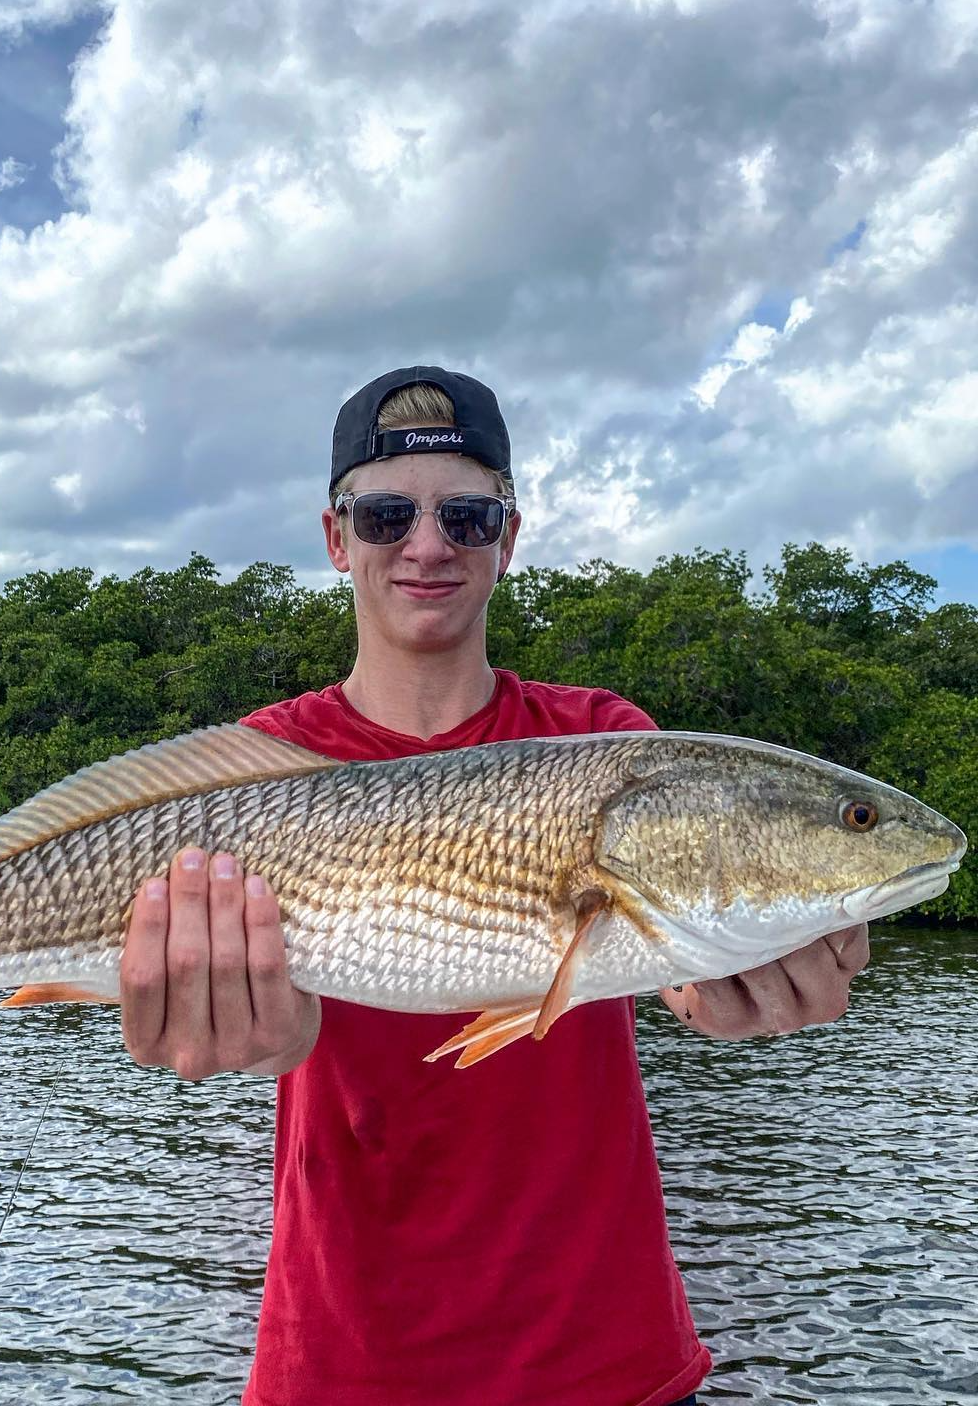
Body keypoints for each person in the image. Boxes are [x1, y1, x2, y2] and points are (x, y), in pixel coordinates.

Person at [117, 366, 870, 1406]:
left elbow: (671, 974)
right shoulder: (261, 766)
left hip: (613, 1363)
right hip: (342, 1365)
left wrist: (743, 991)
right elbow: (273, 1037)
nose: (427, 545)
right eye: (387, 514)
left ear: (508, 539)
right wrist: (251, 1039)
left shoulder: (604, 743)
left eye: (466, 516)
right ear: (338, 539)